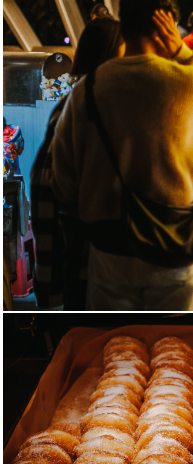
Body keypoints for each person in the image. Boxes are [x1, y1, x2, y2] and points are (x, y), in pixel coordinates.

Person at [51, 0, 193, 310]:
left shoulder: (86, 89)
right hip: (173, 247)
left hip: (109, 253)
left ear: (125, 24)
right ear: (167, 27)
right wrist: (181, 52)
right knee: (176, 349)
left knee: (117, 349)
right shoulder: (182, 81)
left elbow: (63, 180)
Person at [30, 17, 124, 310]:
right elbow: (48, 192)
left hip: (87, 271)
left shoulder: (86, 103)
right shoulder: (83, 107)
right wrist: (53, 296)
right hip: (85, 274)